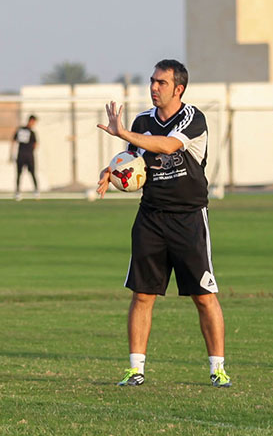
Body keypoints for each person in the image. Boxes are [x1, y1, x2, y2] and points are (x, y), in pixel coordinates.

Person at [96, 59, 230, 389]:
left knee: (204, 296)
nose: (154, 87)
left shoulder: (193, 118)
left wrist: (125, 133)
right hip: (151, 218)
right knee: (143, 295)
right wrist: (110, 171)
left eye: (162, 83)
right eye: (152, 82)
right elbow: (132, 162)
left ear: (179, 89)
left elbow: (168, 145)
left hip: (189, 217)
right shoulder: (143, 120)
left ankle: (218, 369)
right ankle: (135, 369)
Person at [12, 114, 39, 199]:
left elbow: (14, 141)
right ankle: (19, 191)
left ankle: (34, 190)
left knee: (30, 173)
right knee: (21, 174)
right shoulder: (30, 132)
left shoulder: (22, 130)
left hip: (23, 154)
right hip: (26, 155)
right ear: (31, 121)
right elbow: (35, 144)